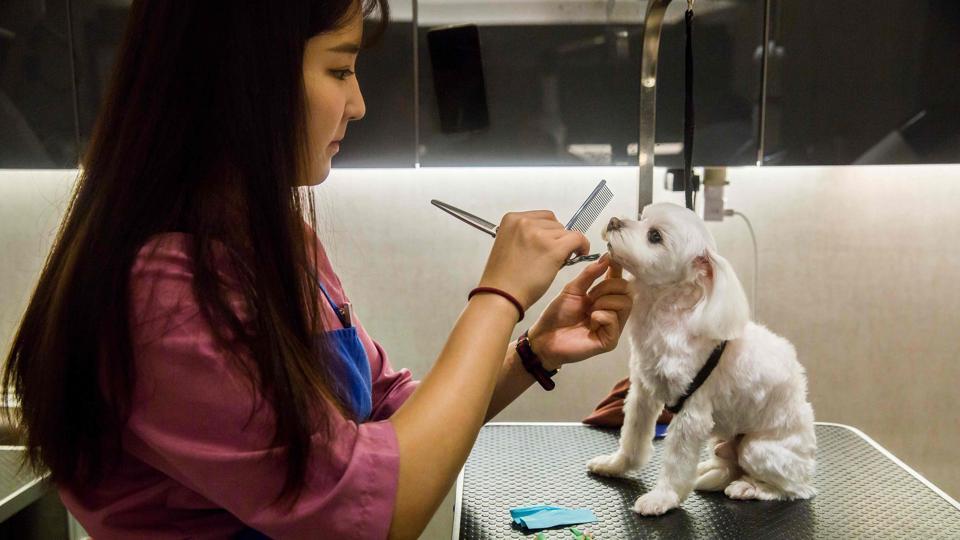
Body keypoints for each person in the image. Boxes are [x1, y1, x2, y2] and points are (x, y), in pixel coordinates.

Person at [2, 2, 632, 538]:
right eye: (339, 68)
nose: (356, 104)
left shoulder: (275, 239)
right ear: (244, 78)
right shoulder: (163, 293)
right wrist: (497, 296)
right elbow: (373, 506)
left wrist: (533, 353)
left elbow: (390, 416)